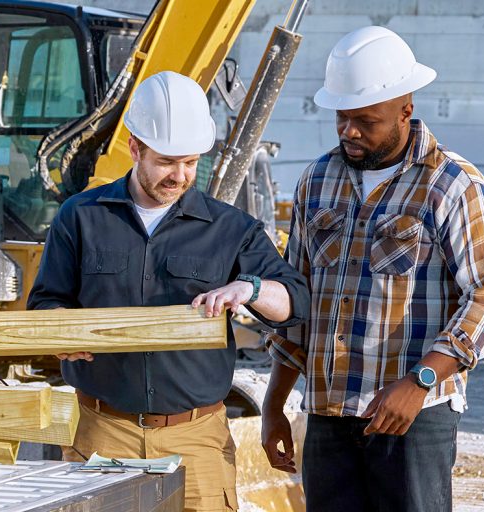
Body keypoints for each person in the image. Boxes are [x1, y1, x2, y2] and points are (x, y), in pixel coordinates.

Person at [27, 71, 309, 512]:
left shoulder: (232, 229)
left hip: (196, 439)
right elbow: (46, 303)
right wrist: (61, 334)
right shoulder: (79, 217)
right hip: (103, 431)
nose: (179, 175)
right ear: (135, 148)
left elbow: (294, 302)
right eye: (167, 161)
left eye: (191, 162)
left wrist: (250, 288)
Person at [260, 26, 484, 512]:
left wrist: (420, 382)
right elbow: (299, 300)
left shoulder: (452, 184)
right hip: (329, 418)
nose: (349, 131)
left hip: (413, 420)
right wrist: (274, 405)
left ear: (405, 110)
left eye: (365, 120)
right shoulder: (317, 180)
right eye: (341, 118)